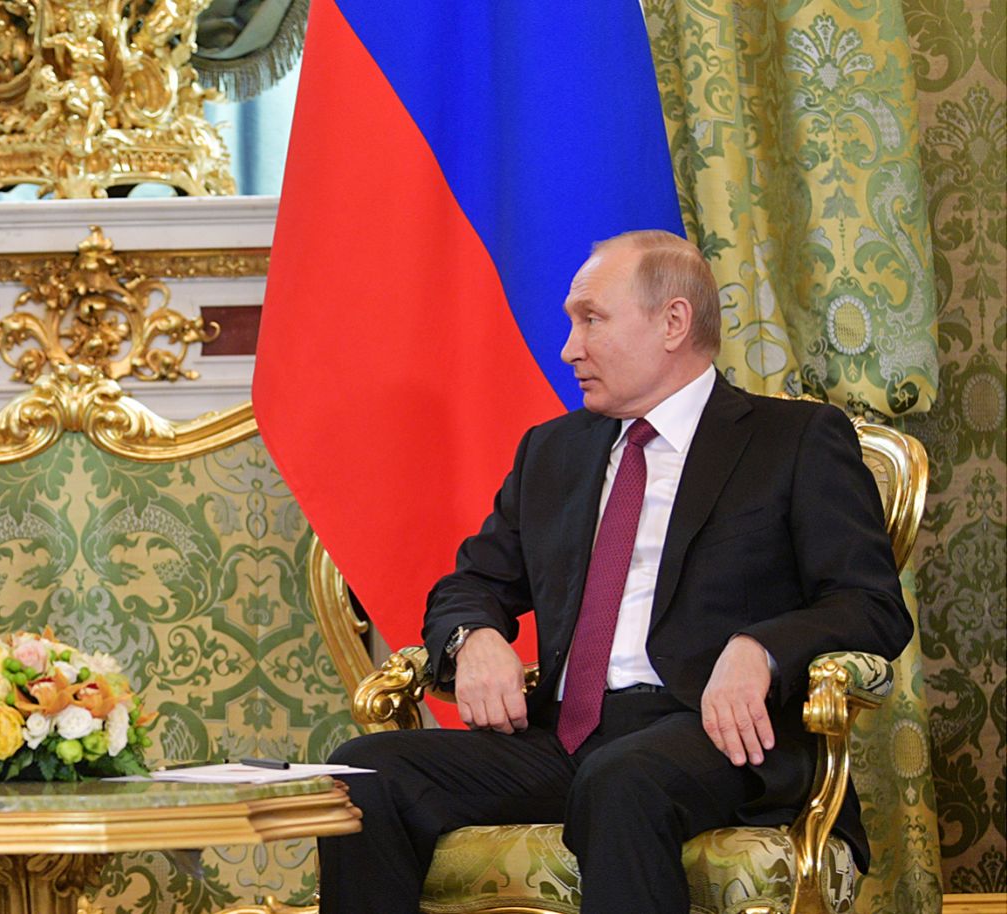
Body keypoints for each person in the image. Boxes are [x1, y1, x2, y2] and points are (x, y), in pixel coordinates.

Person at [318, 230, 912, 913]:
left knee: (623, 779)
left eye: (591, 319)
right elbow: (470, 584)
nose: (570, 348)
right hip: (565, 734)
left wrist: (762, 649)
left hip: (712, 735)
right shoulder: (554, 451)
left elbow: (870, 604)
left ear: (673, 322)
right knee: (363, 772)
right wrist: (474, 638)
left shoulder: (794, 441)